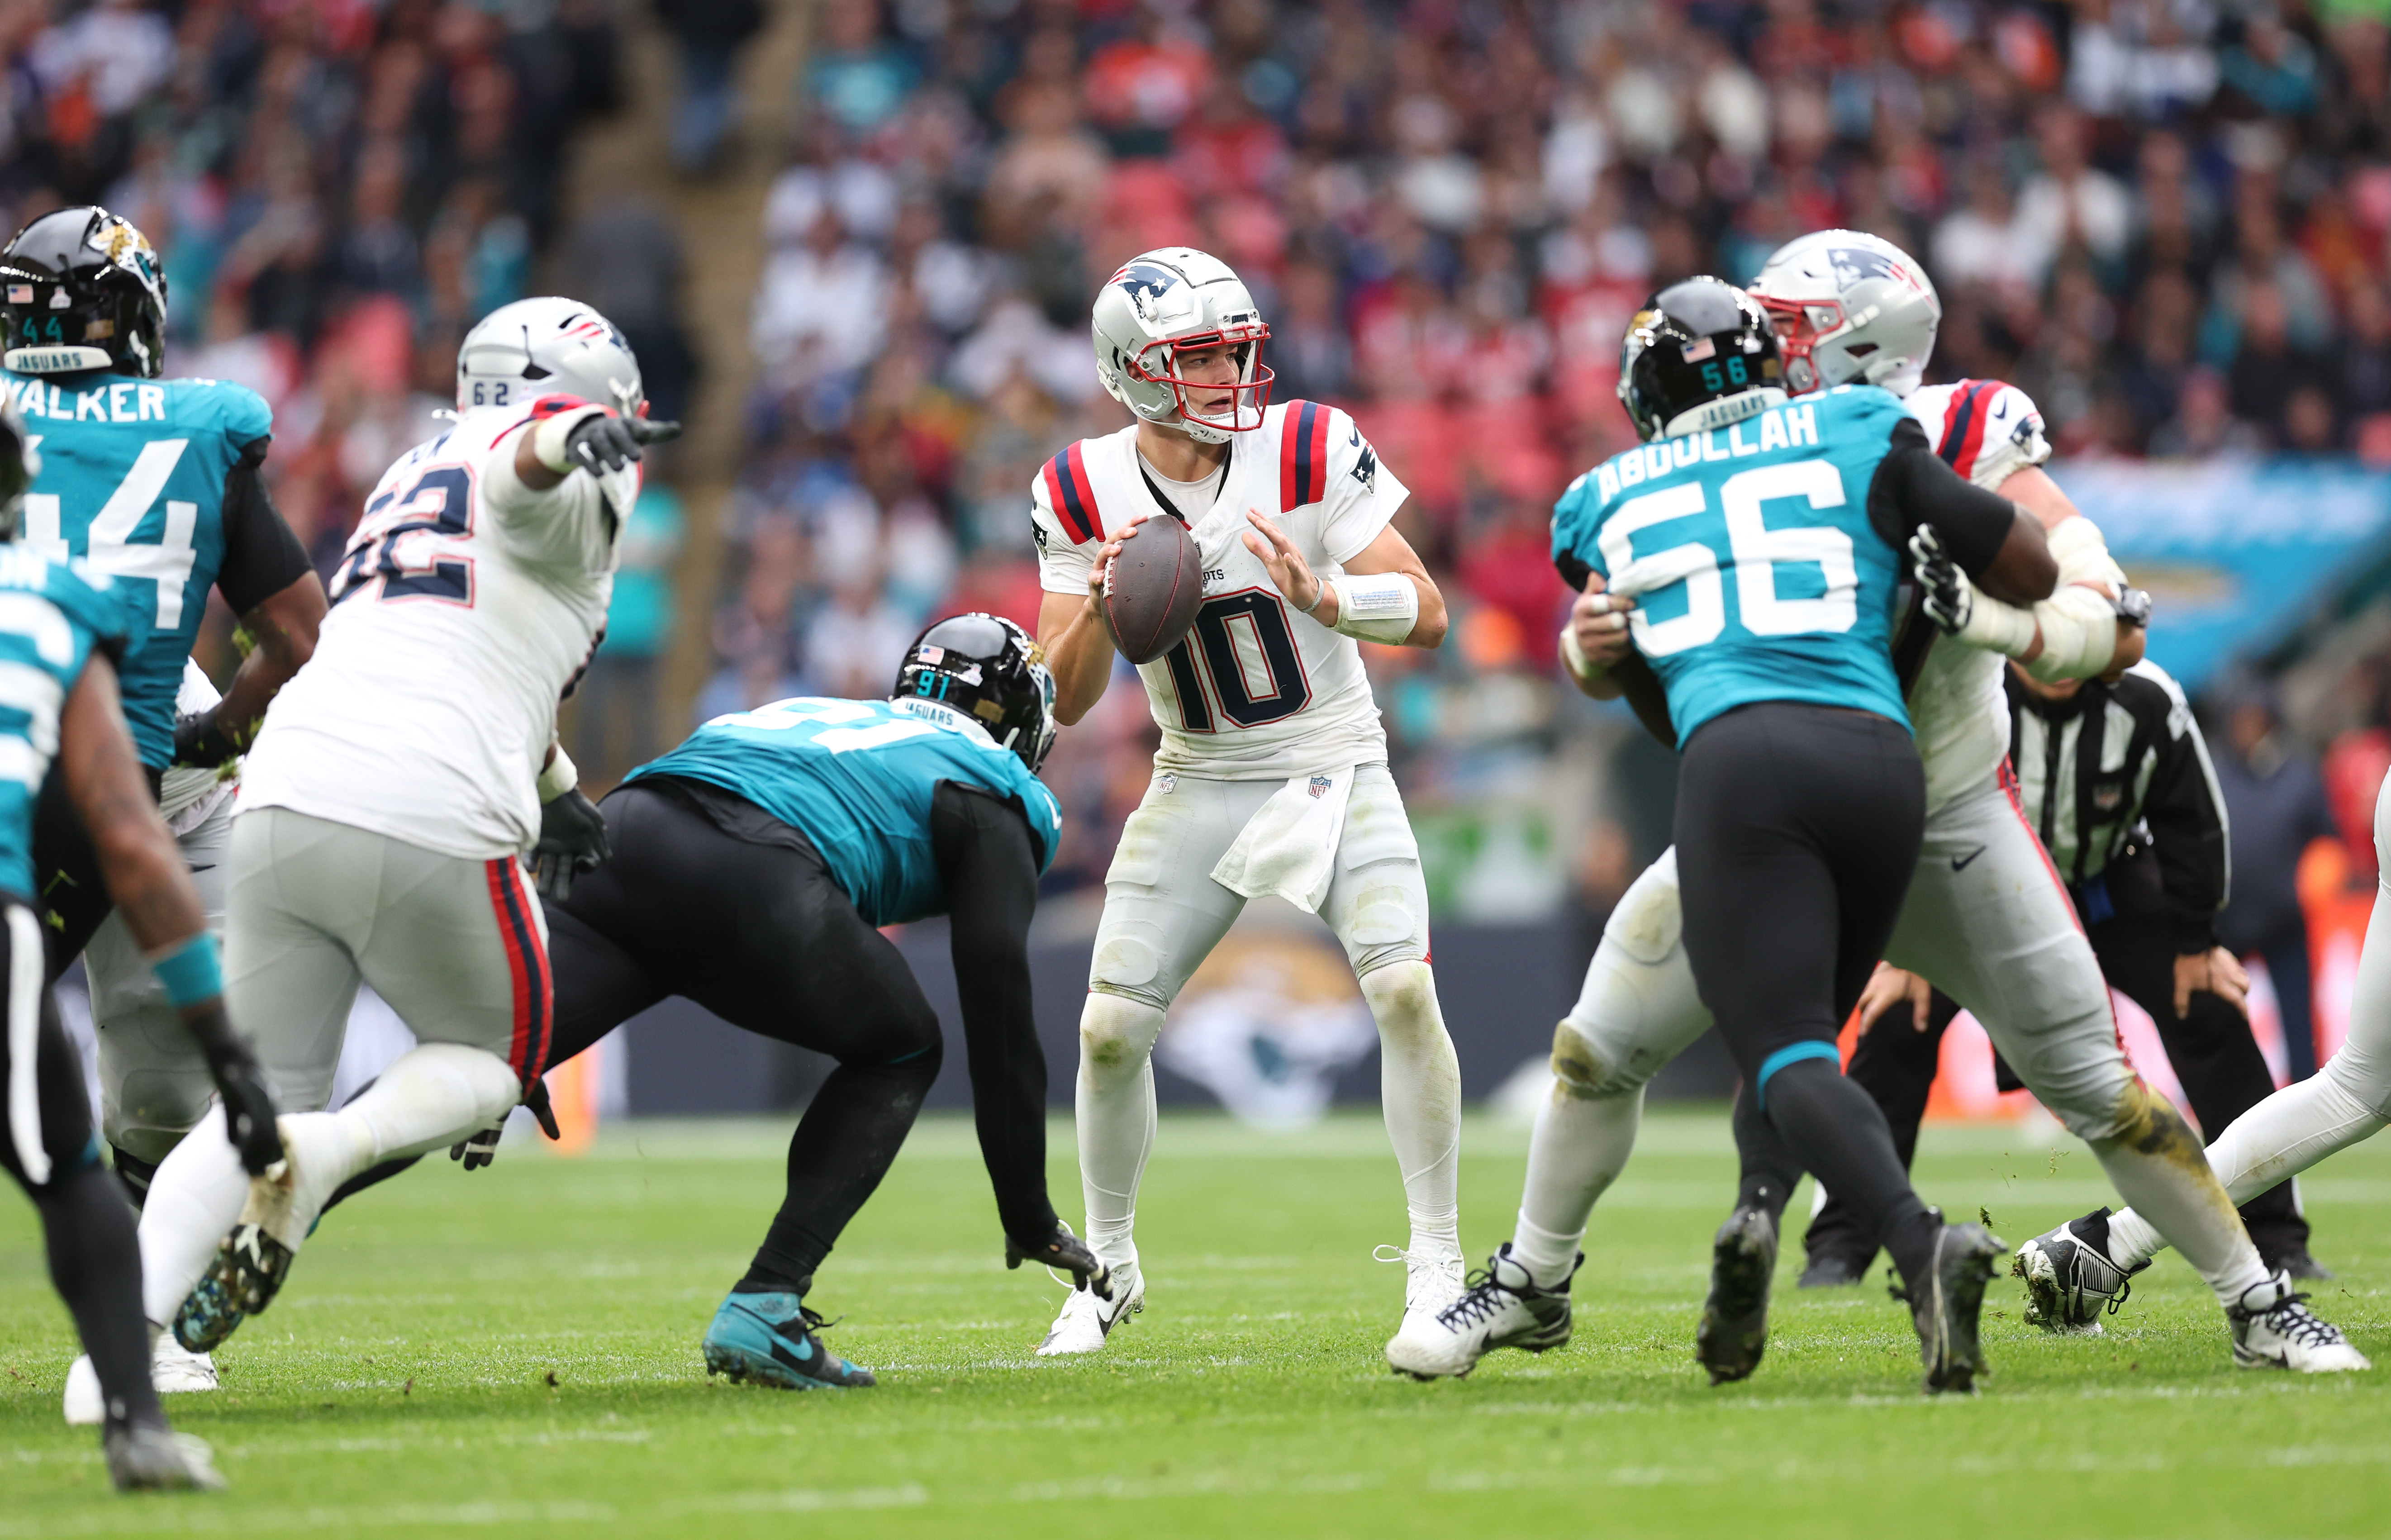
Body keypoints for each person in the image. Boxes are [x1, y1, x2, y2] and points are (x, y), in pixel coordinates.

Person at [1391, 233, 2356, 1387]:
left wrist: (1999, 615)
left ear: (1855, 344)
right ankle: (1533, 1280)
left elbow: (2105, 614)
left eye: (1787, 330)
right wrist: (1589, 647)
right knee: (1598, 1049)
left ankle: (2259, 1302)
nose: (1761, 352)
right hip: (1788, 803)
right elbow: (1626, 621)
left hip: (1948, 816)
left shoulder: (1958, 430)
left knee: (2104, 1091)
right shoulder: (1729, 449)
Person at [1526, 273, 2054, 1392]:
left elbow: (1649, 694)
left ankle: (1919, 1247)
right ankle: (1759, 1216)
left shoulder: (1604, 496)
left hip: (1746, 759)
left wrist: (1601, 661)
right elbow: (2027, 565)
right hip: (1888, 765)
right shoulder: (1856, 425)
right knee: (1808, 1040)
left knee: (1784, 1047)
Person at [127, 296, 675, 1357]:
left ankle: (132, 1356)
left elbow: (461, 632)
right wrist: (572, 435)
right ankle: (331, 1153)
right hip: (431, 794)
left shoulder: (406, 472)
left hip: (285, 786)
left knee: (246, 1110)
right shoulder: (574, 456)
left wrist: (558, 785)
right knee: (494, 1056)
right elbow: (530, 470)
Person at [1030, 247, 1465, 1352]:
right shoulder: (1080, 487)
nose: (1231, 374)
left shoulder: (1310, 443)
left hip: (1336, 755)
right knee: (1112, 1028)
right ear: (1133, 372)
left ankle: (1438, 1260)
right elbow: (1065, 697)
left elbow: (1427, 610)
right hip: (1201, 772)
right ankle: (1109, 1266)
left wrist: (1328, 594)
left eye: (1235, 349)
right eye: (1201, 356)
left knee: (1405, 997)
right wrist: (1097, 598)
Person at [540, 613, 1104, 1386]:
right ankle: (768, 1297)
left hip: (629, 827)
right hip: (753, 862)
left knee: (476, 1068)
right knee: (904, 1043)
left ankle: (319, 1152)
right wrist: (1029, 1213)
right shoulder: (991, 784)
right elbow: (999, 1015)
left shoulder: (830, 712)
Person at [0, 205, 325, 1407]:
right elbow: (298, 632)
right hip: (116, 771)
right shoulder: (203, 431)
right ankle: (135, 1351)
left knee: (117, 1091)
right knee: (142, 1086)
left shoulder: (14, 426)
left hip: (88, 761)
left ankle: (135, 1339)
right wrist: (219, 726)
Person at [1804, 657, 2331, 1288]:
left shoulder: (2146, 699)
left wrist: (2195, 942)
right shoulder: (1955, 678)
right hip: (1977, 886)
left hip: (2107, 879)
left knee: (2209, 1004)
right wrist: (1900, 944)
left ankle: (2276, 1237)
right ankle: (1837, 1247)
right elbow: (1900, 800)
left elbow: (2189, 817)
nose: (2060, 656)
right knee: (1896, 1017)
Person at [0, 395, 283, 1490]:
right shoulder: (56, 605)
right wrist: (232, 1053)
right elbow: (125, 830)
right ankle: (133, 1419)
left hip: (193, 813)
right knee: (68, 1168)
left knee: (112, 1137)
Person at [2210, 675, 2336, 1083]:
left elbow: (2327, 842)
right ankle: (2227, 1098)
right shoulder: (2214, 772)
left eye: (2255, 719)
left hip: (2284, 921)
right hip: (2226, 921)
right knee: (2218, 1019)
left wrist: (2315, 884)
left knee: (2298, 1021)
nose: (2245, 727)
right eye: (2239, 719)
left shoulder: (2298, 776)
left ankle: (2306, 1096)